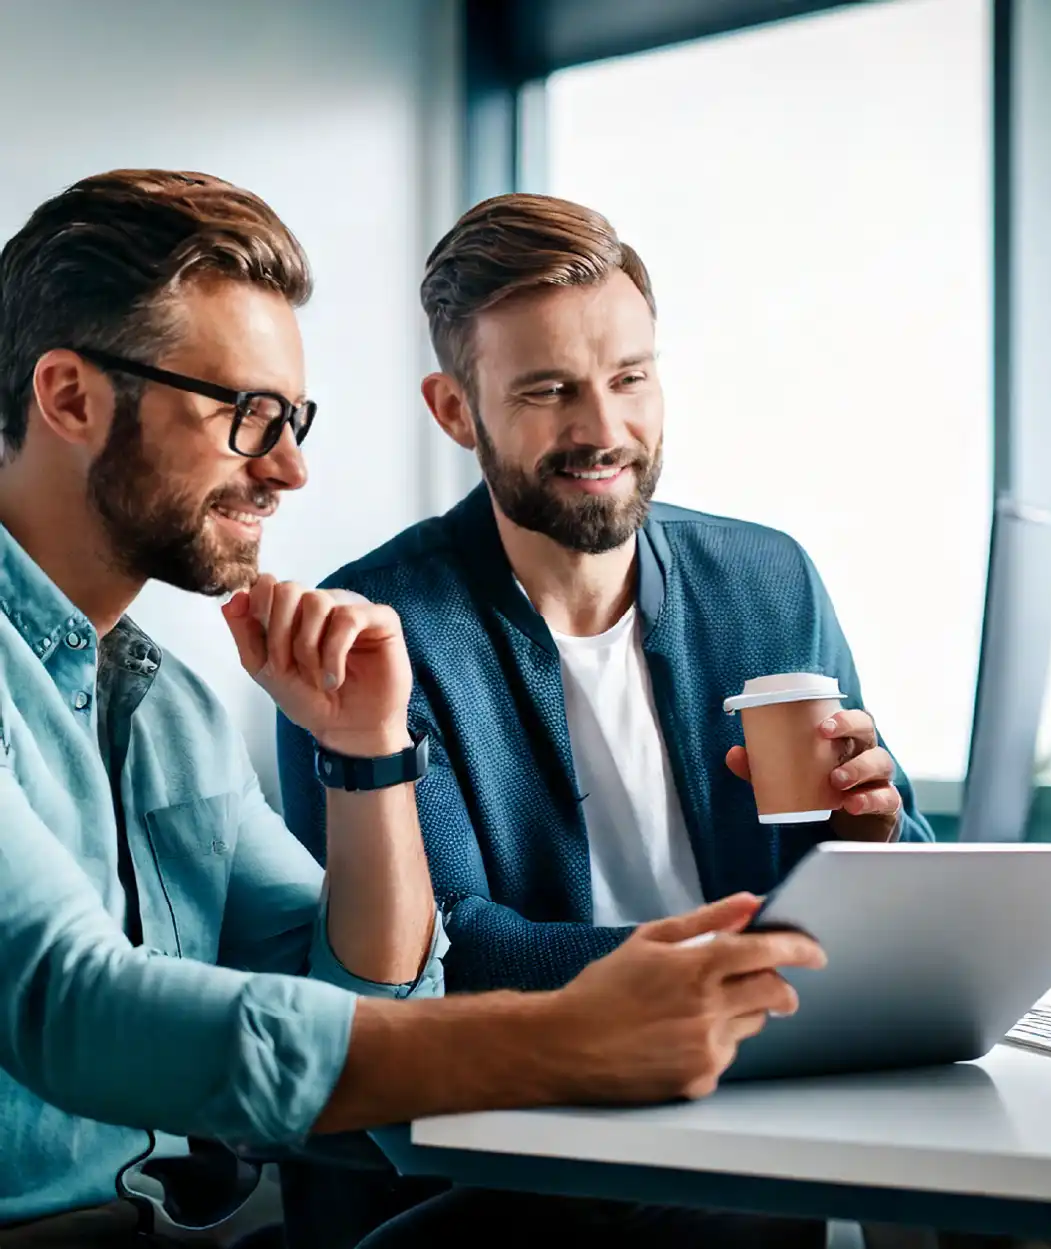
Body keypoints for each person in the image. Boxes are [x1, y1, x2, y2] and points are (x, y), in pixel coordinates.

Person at [0, 170, 826, 1247]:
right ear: (69, 398)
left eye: (291, 419)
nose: (288, 467)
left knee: (715, 1211)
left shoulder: (168, 710)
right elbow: (70, 1006)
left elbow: (378, 1015)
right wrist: (560, 1037)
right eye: (247, 415)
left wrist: (366, 753)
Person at [276, 193, 934, 1245]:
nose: (603, 430)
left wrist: (876, 839)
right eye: (548, 391)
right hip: (501, 1166)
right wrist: (731, 974)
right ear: (454, 410)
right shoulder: (373, 635)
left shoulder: (766, 580)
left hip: (748, 1108)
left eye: (630, 378)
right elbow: (444, 957)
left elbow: (898, 876)